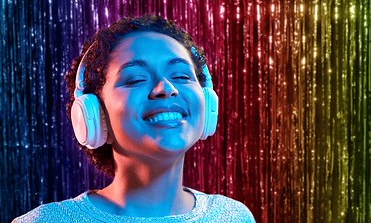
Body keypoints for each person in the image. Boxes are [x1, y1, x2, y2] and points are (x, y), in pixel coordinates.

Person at [13, 14, 255, 222]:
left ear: (207, 102)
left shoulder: (234, 216)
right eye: (136, 79)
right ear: (94, 114)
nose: (166, 88)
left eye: (181, 76)